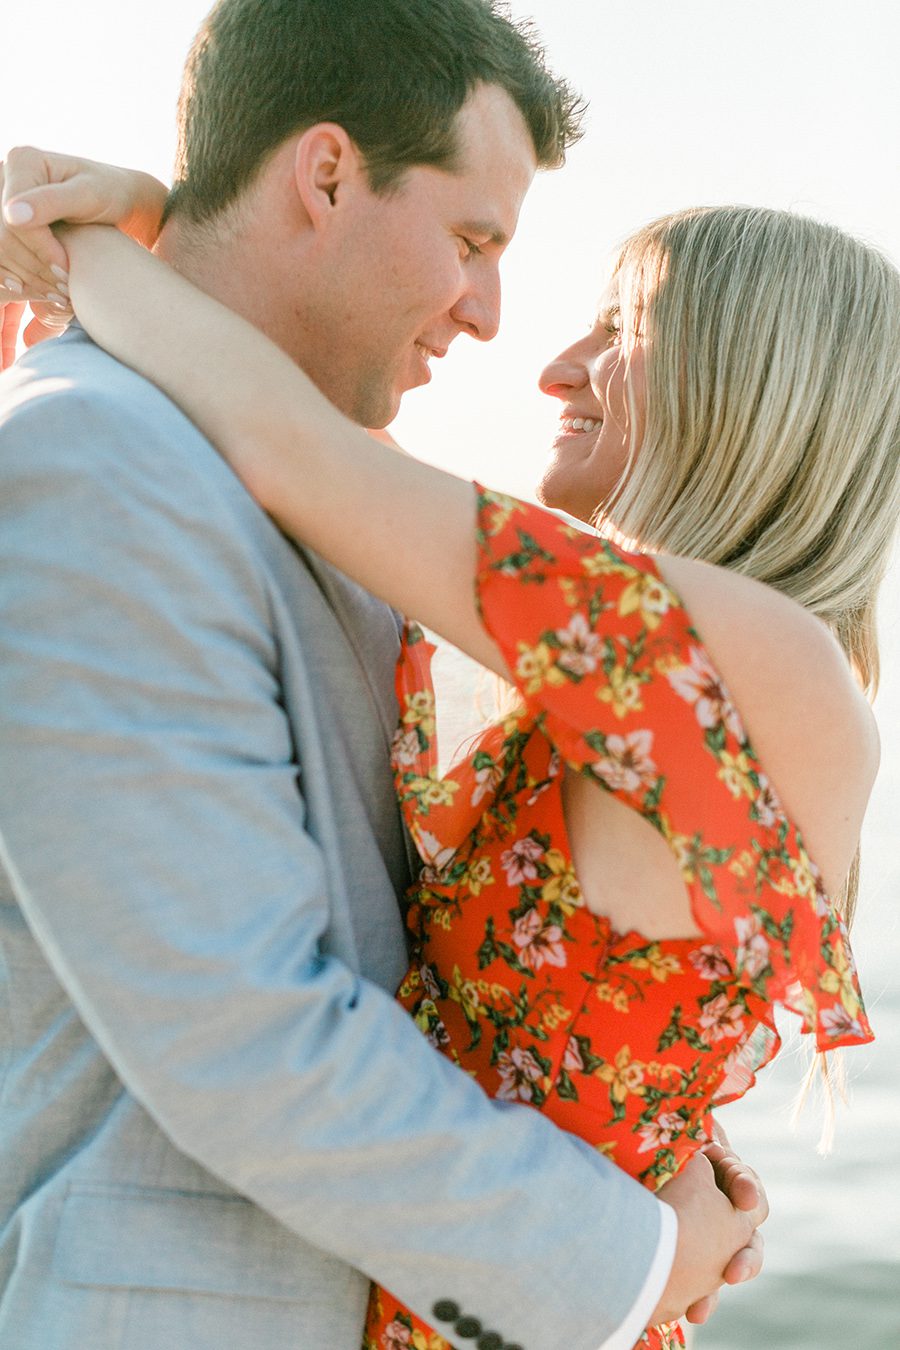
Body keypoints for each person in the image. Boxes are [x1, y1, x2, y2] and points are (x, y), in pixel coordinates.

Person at [0, 3, 769, 1349]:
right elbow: (242, 1032)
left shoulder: (333, 506)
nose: (488, 314)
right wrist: (636, 1260)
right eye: (473, 240)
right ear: (329, 173)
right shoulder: (94, 465)